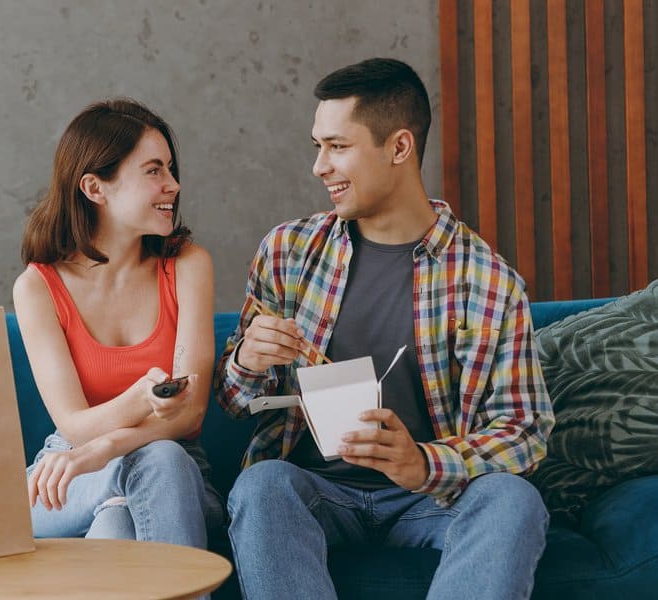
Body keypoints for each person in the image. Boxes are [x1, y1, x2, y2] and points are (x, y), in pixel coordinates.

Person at [214, 58, 554, 599]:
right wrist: (245, 364)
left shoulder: (486, 280)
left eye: (338, 146)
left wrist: (423, 463)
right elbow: (234, 403)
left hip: (432, 500)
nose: (319, 166)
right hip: (316, 493)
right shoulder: (288, 253)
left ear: (399, 148)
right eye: (317, 146)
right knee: (262, 485)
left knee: (513, 501)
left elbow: (524, 431)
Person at [14, 98, 222, 547]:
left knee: (128, 503)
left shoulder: (188, 266)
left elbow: (190, 413)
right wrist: (142, 398)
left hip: (176, 472)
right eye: (153, 171)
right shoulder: (37, 288)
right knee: (120, 494)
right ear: (95, 188)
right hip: (68, 473)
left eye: (169, 168)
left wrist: (108, 447)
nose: (173, 184)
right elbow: (74, 427)